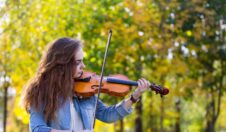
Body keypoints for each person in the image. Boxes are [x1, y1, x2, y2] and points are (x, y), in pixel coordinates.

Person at [21, 37, 151, 132]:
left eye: (82, 61)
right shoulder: (41, 92)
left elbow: (107, 115)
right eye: (78, 62)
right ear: (63, 64)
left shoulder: (85, 92)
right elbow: (37, 128)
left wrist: (134, 96)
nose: (83, 66)